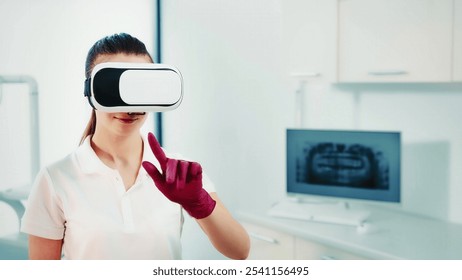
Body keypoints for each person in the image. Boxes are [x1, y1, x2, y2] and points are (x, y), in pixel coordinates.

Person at [20, 33, 250, 260]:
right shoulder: (57, 178)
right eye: (113, 89)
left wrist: (198, 201)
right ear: (91, 92)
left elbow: (240, 250)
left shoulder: (177, 173)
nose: (129, 108)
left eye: (139, 90)